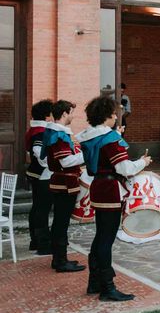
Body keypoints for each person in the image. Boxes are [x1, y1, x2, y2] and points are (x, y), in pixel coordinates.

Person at [77, 96, 152, 301]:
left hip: (98, 186)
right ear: (107, 116)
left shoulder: (87, 137)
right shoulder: (109, 138)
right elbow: (124, 168)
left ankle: (94, 282)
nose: (115, 117)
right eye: (113, 114)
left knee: (100, 236)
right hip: (110, 188)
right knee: (106, 239)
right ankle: (107, 288)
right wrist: (142, 162)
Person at [41, 100, 86, 272]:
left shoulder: (56, 133)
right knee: (61, 222)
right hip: (64, 183)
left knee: (61, 221)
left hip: (63, 181)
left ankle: (60, 258)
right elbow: (66, 161)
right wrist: (87, 157)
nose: (73, 116)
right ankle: (60, 261)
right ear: (65, 114)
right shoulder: (58, 135)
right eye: (71, 113)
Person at [25, 99, 54, 255]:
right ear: (47, 115)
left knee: (37, 208)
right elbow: (40, 154)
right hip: (43, 174)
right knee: (42, 210)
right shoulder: (40, 132)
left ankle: (35, 241)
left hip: (35, 173)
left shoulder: (34, 130)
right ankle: (43, 244)